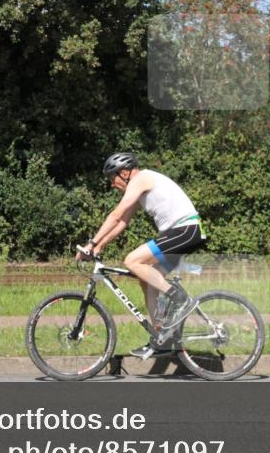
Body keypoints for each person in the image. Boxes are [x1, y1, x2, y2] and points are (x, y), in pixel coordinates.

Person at [76, 152, 206, 360]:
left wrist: (90, 244)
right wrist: (100, 245)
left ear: (125, 173)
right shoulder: (138, 187)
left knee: (132, 260)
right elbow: (122, 222)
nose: (112, 184)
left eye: (112, 178)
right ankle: (160, 338)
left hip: (186, 230)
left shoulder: (141, 179)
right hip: (183, 232)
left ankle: (179, 298)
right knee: (147, 280)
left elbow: (115, 215)